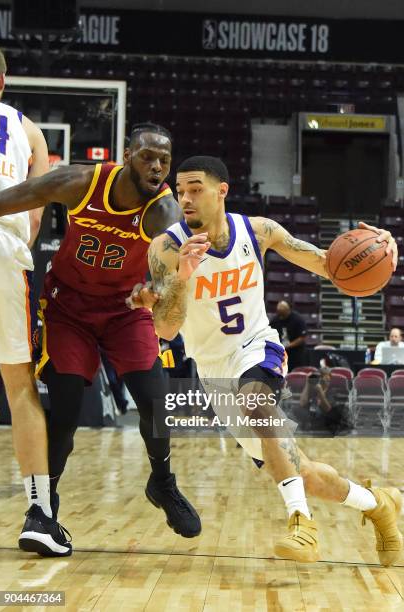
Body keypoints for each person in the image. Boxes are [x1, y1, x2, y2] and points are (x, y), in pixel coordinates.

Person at [137, 155, 401, 565]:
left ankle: (301, 523)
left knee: (256, 400)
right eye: (181, 190)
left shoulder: (258, 231)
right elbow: (166, 330)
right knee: (306, 473)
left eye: (195, 189)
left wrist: (385, 245)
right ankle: (379, 504)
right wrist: (183, 275)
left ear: (221, 191)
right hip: (213, 371)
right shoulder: (166, 248)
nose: (185, 198)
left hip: (258, 347)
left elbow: (329, 265)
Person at [0, 123, 201, 546]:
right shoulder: (79, 183)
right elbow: (11, 200)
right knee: (67, 413)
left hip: (125, 311)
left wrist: (157, 291)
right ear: (128, 155)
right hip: (68, 307)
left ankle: (162, 482)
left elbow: (166, 288)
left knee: (155, 401)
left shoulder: (164, 212)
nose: (158, 167)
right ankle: (44, 510)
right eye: (148, 156)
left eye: (164, 159)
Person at [0, 47, 72, 556]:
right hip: (3, 243)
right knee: (19, 382)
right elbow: (37, 212)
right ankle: (40, 515)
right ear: (2, 82)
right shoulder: (29, 132)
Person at [295, 368, 347, 434]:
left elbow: (329, 410)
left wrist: (320, 392)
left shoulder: (332, 392)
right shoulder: (312, 390)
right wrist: (307, 383)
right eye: (320, 379)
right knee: (297, 409)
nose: (324, 381)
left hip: (327, 426)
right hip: (312, 424)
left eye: (327, 380)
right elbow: (302, 404)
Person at [270, 301, 307, 371]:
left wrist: (288, 345)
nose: (281, 317)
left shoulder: (298, 319)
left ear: (288, 310)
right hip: (280, 353)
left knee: (295, 373)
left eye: (283, 314)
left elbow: (302, 338)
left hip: (296, 353)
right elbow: (269, 333)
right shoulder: (275, 320)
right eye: (279, 314)